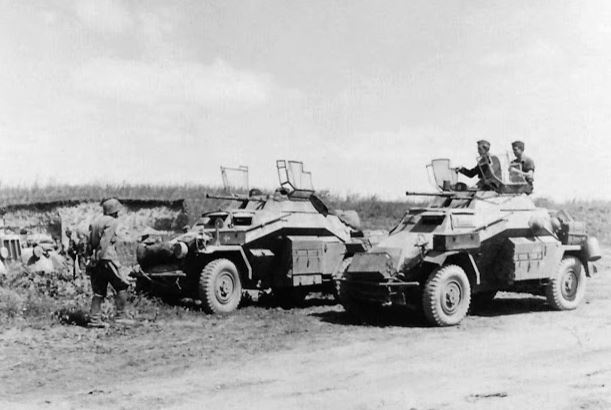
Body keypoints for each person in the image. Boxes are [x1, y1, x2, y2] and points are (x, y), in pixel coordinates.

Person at [87, 198, 134, 327]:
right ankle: (120, 317)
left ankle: (94, 319)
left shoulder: (95, 221)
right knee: (122, 285)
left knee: (99, 290)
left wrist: (93, 258)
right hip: (107, 257)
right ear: (114, 211)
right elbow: (105, 242)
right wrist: (100, 256)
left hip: (96, 259)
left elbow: (90, 241)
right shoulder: (112, 222)